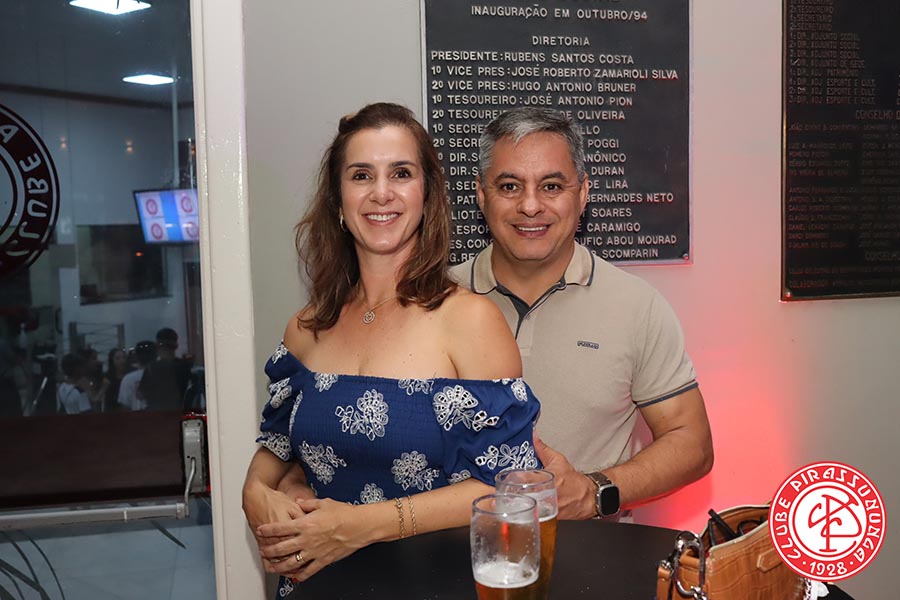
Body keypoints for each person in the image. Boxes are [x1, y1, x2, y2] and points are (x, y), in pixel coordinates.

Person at [242, 102, 541, 595]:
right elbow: (276, 449)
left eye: (401, 173)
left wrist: (359, 526)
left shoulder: (470, 321)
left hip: (430, 584)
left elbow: (505, 484)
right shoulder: (306, 328)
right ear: (338, 201)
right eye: (361, 175)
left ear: (427, 195)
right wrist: (254, 491)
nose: (381, 193)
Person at [450, 107, 713, 521]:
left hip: (594, 555)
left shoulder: (635, 306)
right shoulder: (434, 299)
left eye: (552, 186)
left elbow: (692, 443)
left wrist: (593, 491)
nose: (530, 205)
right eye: (510, 186)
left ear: (583, 193)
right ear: (482, 195)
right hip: (458, 553)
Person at [139, 328, 192, 411]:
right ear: (175, 346)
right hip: (179, 413)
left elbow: (141, 394)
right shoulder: (185, 366)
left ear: (158, 346)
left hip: (157, 414)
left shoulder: (152, 368)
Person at [118, 341, 156, 411]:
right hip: (161, 416)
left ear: (137, 357)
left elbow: (125, 406)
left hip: (136, 416)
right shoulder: (164, 376)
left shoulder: (128, 379)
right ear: (155, 356)